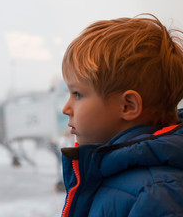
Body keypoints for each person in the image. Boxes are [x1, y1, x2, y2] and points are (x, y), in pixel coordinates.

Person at [60, 14, 183, 217]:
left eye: (77, 94)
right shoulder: (110, 171)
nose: (66, 108)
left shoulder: (158, 194)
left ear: (128, 106)